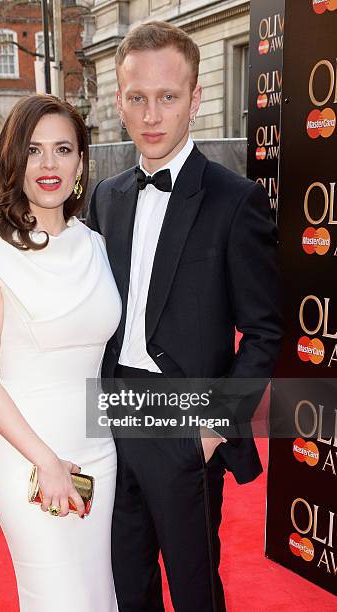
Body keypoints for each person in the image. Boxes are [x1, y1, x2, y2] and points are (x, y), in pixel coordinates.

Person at [87, 21, 282, 612]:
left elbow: (266, 329)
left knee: (195, 587)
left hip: (187, 419)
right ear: (119, 100)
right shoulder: (107, 195)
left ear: (194, 100)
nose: (152, 114)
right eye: (137, 97)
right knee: (127, 578)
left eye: (168, 97)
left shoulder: (234, 199)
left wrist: (212, 428)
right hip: (116, 412)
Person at [0, 94, 121, 611]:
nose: (49, 165)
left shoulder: (93, 243)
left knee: (97, 595)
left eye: (63, 149)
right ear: (13, 161)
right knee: (58, 598)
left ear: (79, 162)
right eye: (33, 150)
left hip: (98, 449)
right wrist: (46, 460)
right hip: (26, 454)